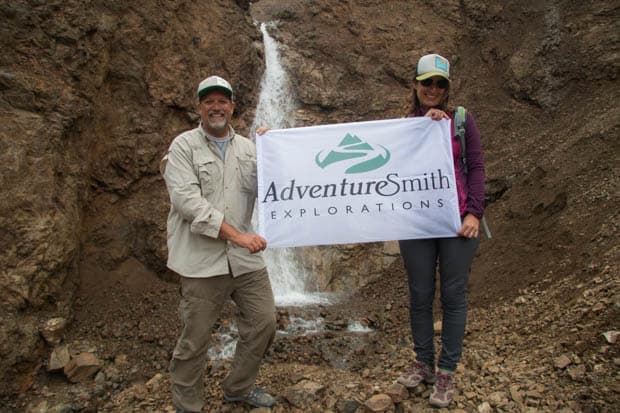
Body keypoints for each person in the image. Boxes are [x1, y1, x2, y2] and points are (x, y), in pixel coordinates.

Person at [161, 75, 277, 412]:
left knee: (264, 321)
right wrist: (237, 236)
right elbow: (187, 202)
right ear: (199, 107)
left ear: (232, 106)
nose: (216, 107)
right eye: (209, 101)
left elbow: (277, 186)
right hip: (201, 260)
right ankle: (188, 406)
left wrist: (276, 148)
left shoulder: (249, 149)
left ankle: (238, 388)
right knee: (195, 339)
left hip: (245, 259)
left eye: (222, 101)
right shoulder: (183, 147)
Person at [396, 54, 486, 408]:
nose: (433, 89)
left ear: (447, 89)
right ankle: (424, 363)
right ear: (415, 85)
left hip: (455, 222)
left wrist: (474, 213)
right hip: (416, 223)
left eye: (440, 84)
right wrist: (275, 141)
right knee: (419, 294)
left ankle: (446, 370)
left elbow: (476, 166)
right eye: (427, 83)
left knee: (453, 295)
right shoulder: (403, 125)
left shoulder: (462, 121)